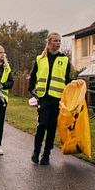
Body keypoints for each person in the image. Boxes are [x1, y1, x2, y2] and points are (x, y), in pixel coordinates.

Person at [28, 32, 72, 165]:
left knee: (52, 127)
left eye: (59, 41)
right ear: (49, 42)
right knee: (42, 125)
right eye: (55, 41)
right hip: (43, 98)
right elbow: (33, 76)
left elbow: (67, 79)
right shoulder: (40, 59)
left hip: (57, 99)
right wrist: (32, 90)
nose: (58, 43)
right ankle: (36, 152)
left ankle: (46, 154)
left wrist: (76, 86)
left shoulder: (64, 60)